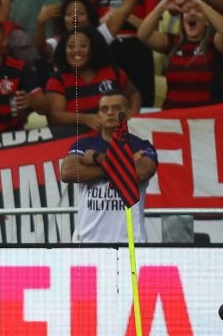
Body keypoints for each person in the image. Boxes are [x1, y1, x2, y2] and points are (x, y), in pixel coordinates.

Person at [60, 92, 158, 243]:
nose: (110, 112)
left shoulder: (142, 145)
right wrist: (125, 163)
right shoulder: (83, 145)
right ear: (98, 115)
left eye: (116, 108)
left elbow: (140, 173)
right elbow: (68, 173)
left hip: (131, 244)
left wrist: (96, 158)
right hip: (87, 243)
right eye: (104, 109)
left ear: (128, 113)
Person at [137, 0, 223, 109]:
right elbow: (142, 34)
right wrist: (162, 6)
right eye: (187, 11)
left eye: (198, 11)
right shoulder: (172, 42)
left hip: (206, 120)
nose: (192, 14)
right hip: (174, 118)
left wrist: (200, 3)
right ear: (182, 19)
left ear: (207, 20)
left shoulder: (214, 43)